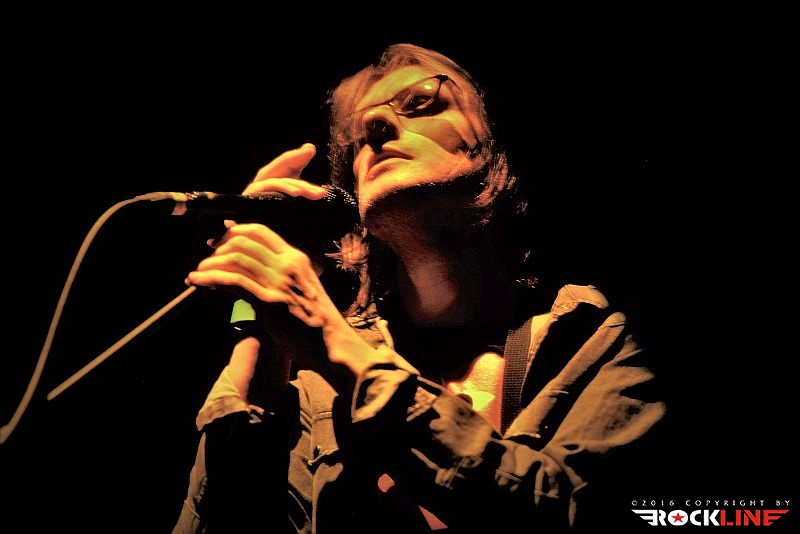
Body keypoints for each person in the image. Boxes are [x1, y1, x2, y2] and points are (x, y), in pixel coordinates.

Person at [172, 43, 666, 533]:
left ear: (496, 146)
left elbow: (575, 511)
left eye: (421, 102)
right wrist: (262, 319)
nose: (373, 126)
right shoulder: (316, 390)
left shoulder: (601, 339)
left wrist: (335, 344)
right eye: (357, 138)